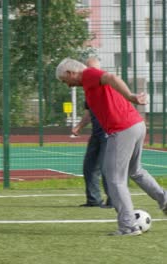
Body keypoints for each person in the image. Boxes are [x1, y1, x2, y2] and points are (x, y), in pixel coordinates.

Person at [56, 58, 167, 236]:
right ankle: (165, 200)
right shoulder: (88, 82)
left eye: (65, 80)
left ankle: (128, 226)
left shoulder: (88, 74)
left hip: (123, 129)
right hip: (135, 125)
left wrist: (131, 97)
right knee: (135, 171)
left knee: (114, 178)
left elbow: (112, 77)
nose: (67, 85)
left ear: (71, 73)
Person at [72, 58, 111, 208]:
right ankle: (93, 200)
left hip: (109, 132)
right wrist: (79, 126)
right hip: (96, 133)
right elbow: (89, 113)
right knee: (89, 166)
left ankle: (113, 201)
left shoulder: (107, 86)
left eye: (94, 70)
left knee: (107, 168)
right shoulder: (88, 90)